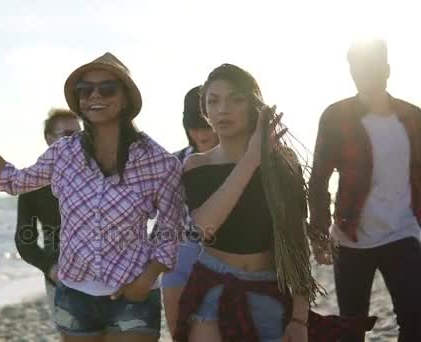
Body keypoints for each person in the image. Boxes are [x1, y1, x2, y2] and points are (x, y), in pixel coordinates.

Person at [0, 52, 184, 342]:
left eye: (106, 88)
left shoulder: (160, 163)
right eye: (85, 90)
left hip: (133, 293)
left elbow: (171, 230)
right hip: (73, 295)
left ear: (126, 98)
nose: (94, 95)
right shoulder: (63, 153)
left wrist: (148, 279)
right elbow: (12, 181)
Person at [173, 64, 377, 342]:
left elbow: (296, 243)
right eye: (213, 101)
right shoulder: (196, 165)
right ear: (205, 111)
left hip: (270, 287)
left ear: (253, 105)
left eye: (236, 99)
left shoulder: (283, 163)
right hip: (212, 286)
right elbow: (204, 226)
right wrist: (251, 160)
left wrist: (299, 319)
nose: (223, 109)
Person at [309, 39, 421, 341]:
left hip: (403, 234)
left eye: (369, 68)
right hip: (350, 237)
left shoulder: (413, 118)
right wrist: (319, 234)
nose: (362, 76)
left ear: (386, 70)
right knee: (350, 329)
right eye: (356, 69)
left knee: (415, 322)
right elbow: (319, 178)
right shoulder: (335, 117)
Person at [161, 85, 218, 335]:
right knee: (179, 334)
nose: (201, 133)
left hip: (222, 257)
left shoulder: (240, 160)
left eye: (205, 125)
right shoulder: (174, 162)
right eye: (193, 126)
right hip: (179, 257)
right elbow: (164, 215)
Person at [15, 107, 81, 312]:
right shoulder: (33, 183)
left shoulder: (102, 174)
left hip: (111, 277)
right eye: (68, 135)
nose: (77, 140)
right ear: (49, 139)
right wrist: (50, 268)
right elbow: (24, 240)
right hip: (62, 280)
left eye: (81, 134)